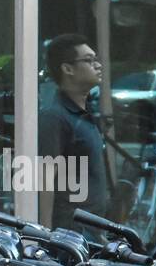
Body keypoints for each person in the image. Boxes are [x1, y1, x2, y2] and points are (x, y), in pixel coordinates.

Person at [38, 33, 108, 230]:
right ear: (67, 69)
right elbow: (45, 180)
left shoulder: (85, 113)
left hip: (93, 232)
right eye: (88, 60)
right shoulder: (54, 116)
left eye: (96, 59)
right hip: (68, 235)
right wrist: (44, 234)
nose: (97, 65)